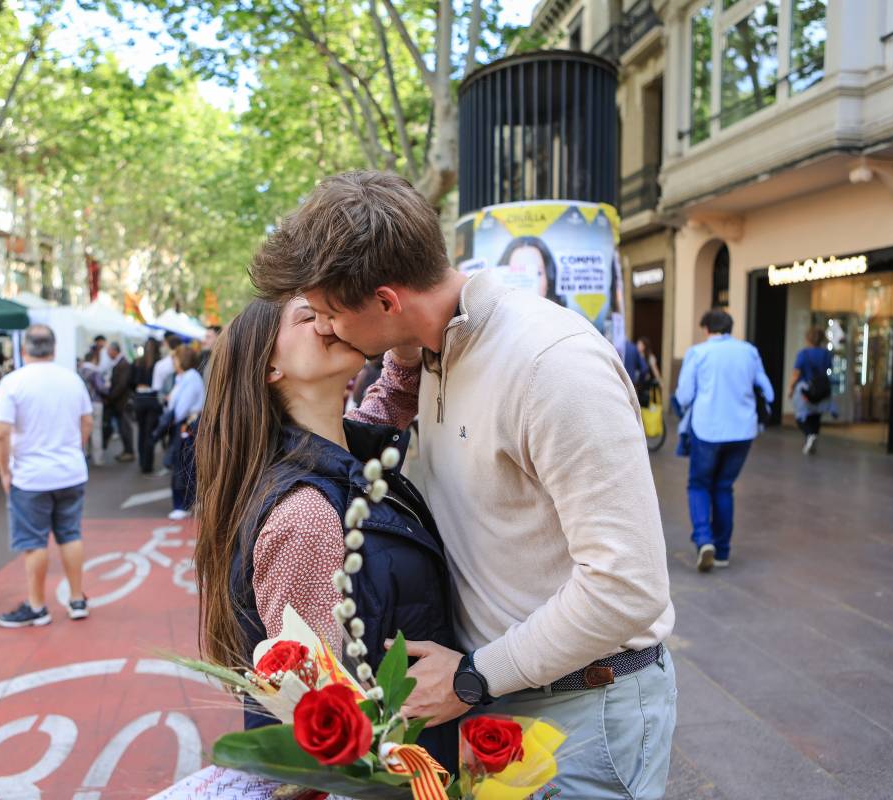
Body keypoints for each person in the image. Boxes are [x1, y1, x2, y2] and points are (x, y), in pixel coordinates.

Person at [249, 171, 674, 799]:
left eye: (334, 315)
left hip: (583, 707)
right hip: (496, 700)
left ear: (388, 302)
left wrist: (473, 677)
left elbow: (627, 587)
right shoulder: (427, 350)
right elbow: (368, 423)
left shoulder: (553, 367)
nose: (330, 330)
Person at [190, 296, 459, 775]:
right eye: (308, 316)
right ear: (270, 367)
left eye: (332, 308)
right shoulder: (306, 517)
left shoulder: (344, 447)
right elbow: (318, 712)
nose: (330, 320)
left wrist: (394, 316)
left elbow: (396, 390)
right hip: (388, 775)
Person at [0, 324, 93, 628]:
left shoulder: (13, 383)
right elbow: (87, 422)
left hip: (30, 477)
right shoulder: (72, 381)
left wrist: (5, 472)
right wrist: (76, 450)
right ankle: (76, 600)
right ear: (54, 349)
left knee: (34, 542)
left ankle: (37, 607)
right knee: (70, 534)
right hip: (70, 472)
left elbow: (1, 435)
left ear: (24, 350)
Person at [674, 309, 774, 572]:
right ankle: (723, 551)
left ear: (707, 329)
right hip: (742, 431)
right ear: (730, 328)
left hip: (707, 430)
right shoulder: (749, 351)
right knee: (724, 487)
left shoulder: (698, 353)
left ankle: (704, 539)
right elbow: (768, 391)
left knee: (698, 485)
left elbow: (684, 396)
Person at [153, 345, 206, 519]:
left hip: (186, 427)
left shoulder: (190, 378)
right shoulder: (185, 377)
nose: (173, 362)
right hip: (185, 426)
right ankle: (184, 503)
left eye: (175, 358)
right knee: (184, 464)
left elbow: (180, 409)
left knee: (183, 465)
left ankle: (182, 505)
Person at [791, 326, 834, 455]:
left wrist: (790, 388)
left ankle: (809, 435)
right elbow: (829, 370)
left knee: (801, 416)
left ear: (807, 339)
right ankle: (813, 438)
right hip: (822, 388)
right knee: (816, 415)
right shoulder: (827, 354)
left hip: (806, 389)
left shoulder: (803, 354)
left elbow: (796, 373)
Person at [499, 235, 562, 305]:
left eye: (538, 273)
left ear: (549, 278)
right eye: (517, 272)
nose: (526, 281)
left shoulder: (565, 315)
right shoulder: (493, 314)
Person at [132, 337, 164, 475]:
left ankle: (142, 461)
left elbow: (131, 381)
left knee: (141, 432)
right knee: (149, 432)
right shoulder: (158, 363)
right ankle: (147, 463)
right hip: (152, 399)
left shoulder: (138, 362)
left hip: (139, 398)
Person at [102, 342, 135, 463]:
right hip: (120, 401)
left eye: (108, 351)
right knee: (123, 428)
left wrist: (111, 396)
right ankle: (127, 451)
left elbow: (122, 384)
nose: (107, 354)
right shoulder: (121, 363)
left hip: (123, 402)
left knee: (125, 427)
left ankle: (129, 452)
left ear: (114, 350)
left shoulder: (123, 364)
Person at [77, 347, 106, 467]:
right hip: (95, 402)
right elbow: (101, 388)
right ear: (94, 359)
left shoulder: (78, 371)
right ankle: (98, 458)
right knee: (96, 430)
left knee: (82, 429)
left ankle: (84, 455)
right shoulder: (95, 372)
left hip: (81, 404)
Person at [153, 334, 183, 403]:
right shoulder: (185, 363)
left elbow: (156, 387)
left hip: (165, 404)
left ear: (167, 345)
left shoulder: (160, 365)